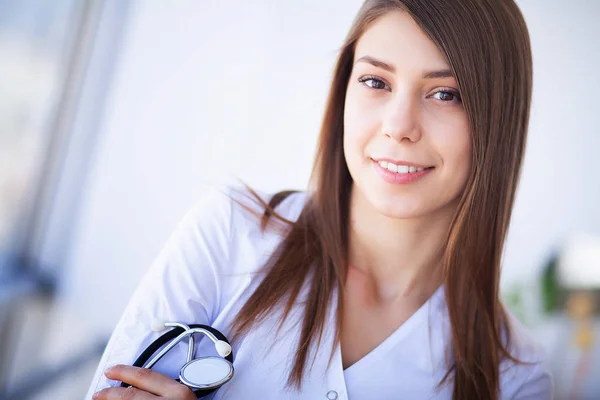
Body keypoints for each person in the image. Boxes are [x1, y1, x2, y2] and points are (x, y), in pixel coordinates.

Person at [88, 0, 553, 399]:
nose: (399, 125)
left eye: (445, 93)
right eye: (376, 82)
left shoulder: (515, 374)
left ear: (499, 120)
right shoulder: (229, 231)